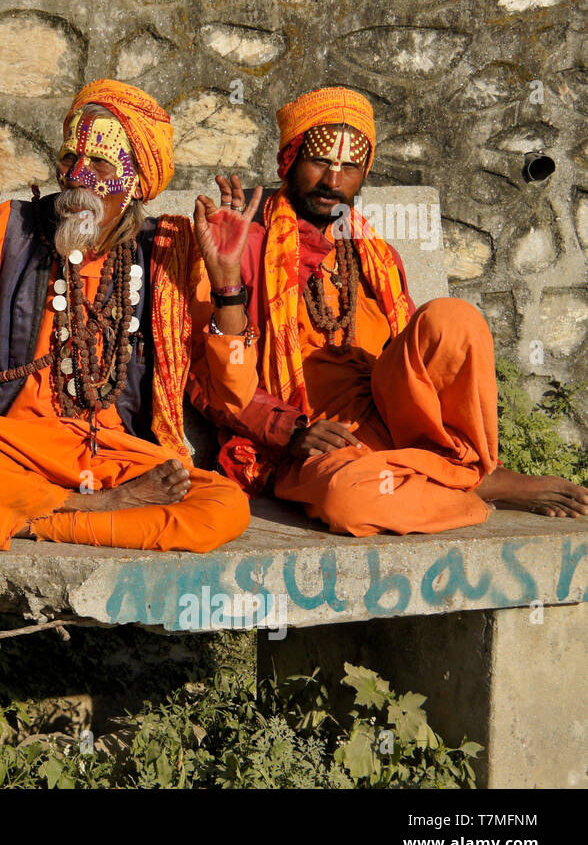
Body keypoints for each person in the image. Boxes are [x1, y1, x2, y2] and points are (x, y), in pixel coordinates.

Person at [189, 85, 588, 535]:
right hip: (323, 441)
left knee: (453, 318)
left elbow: (419, 358)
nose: (332, 182)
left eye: (350, 167)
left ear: (364, 173)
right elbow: (212, 387)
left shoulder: (373, 253)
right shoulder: (245, 243)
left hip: (397, 416)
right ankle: (468, 482)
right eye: (319, 161)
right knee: (347, 501)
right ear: (290, 159)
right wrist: (290, 430)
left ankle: (455, 467)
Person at [0, 79, 251, 552]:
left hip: (109, 452)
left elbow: (234, 395)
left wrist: (226, 285)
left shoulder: (169, 252)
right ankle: (86, 506)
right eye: (69, 158)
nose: (79, 175)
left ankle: (19, 518)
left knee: (226, 507)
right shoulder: (10, 226)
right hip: (11, 444)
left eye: (100, 163)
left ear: (138, 180)